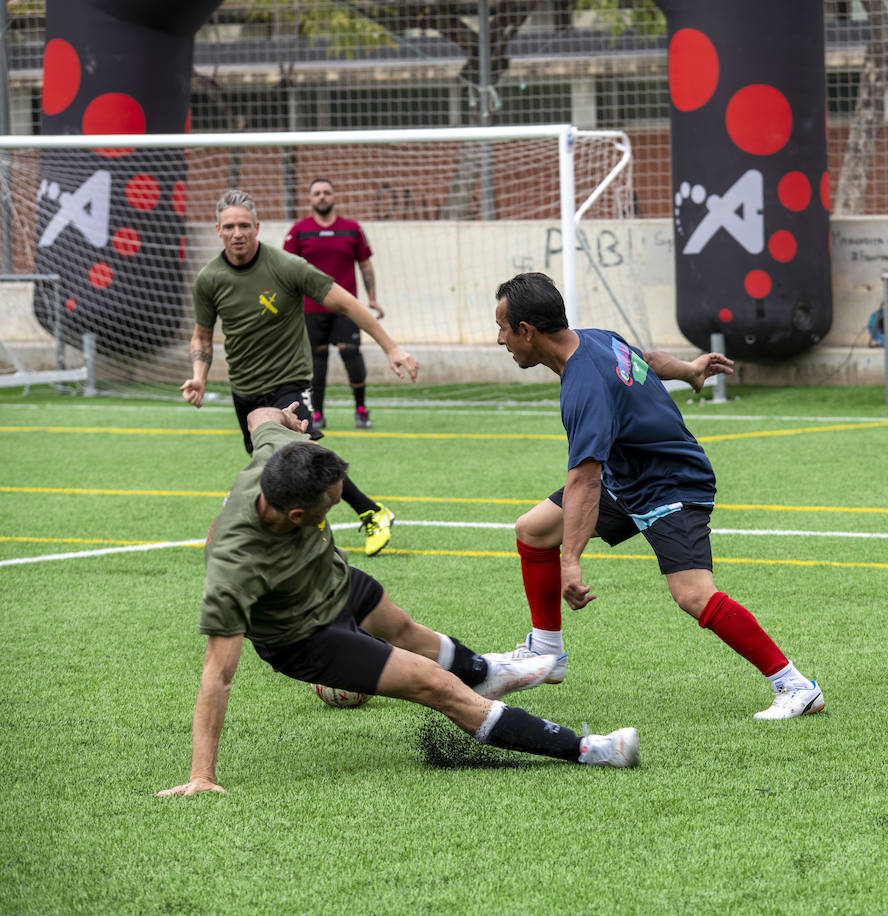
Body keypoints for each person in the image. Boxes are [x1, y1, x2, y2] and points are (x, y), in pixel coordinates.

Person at [156, 407, 639, 797]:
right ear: (297, 514)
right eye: (330, 505)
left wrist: (288, 417)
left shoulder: (278, 457)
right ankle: (590, 750)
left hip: (334, 579)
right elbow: (216, 674)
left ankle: (487, 674)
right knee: (436, 685)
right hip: (304, 635)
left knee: (407, 630)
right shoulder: (235, 567)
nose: (340, 508)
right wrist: (202, 774)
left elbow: (259, 415)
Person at [486, 272, 825, 721]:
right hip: (631, 478)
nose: (499, 339)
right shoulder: (596, 338)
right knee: (533, 530)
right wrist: (687, 370)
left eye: (503, 329)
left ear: (526, 331)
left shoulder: (583, 386)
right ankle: (547, 652)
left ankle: (795, 685)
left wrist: (571, 561)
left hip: (670, 484)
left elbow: (585, 481)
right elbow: (644, 360)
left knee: (693, 594)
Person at [182, 189, 405, 556]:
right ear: (218, 230)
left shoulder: (286, 267)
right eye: (229, 227)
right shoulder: (209, 279)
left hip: (289, 381)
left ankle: (369, 513)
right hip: (245, 389)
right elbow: (202, 335)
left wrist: (391, 347)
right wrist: (199, 376)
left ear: (257, 227)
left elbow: (347, 302)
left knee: (305, 454)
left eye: (243, 225)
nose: (237, 233)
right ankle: (311, 525)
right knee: (272, 465)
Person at [284, 178, 382, 430]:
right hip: (311, 309)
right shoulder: (299, 230)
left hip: (346, 308)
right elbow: (286, 270)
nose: (322, 197)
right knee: (317, 361)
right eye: (317, 193)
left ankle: (361, 409)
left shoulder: (351, 229)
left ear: (334, 197)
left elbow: (365, 265)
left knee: (351, 355)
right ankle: (318, 414)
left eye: (326, 192)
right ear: (310, 199)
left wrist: (372, 299)